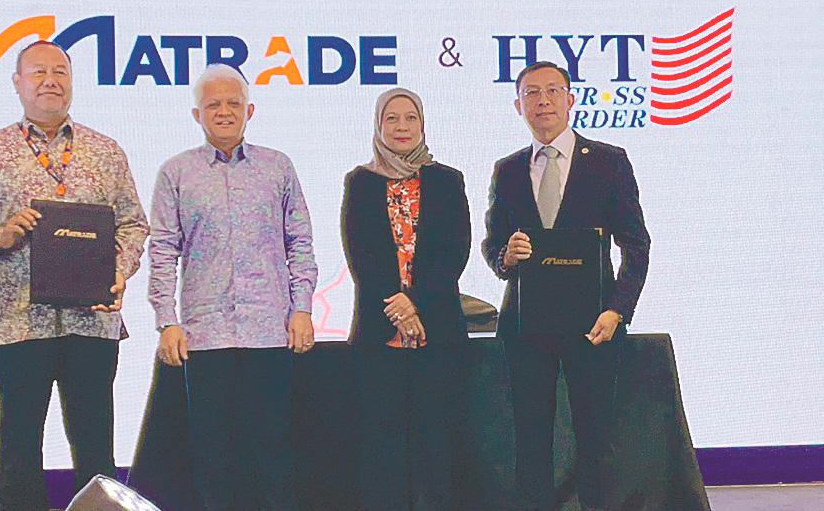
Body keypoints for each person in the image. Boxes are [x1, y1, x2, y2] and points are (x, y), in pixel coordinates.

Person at [0, 40, 149, 511]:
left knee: (95, 447)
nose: (50, 80)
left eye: (60, 71)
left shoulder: (106, 151)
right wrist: (0, 236)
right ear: (17, 83)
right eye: (38, 72)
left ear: (71, 82)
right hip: (19, 324)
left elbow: (134, 223)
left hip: (92, 321)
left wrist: (118, 269)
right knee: (19, 446)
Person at [147, 64, 318, 511]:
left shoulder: (277, 167)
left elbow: (300, 242)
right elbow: (163, 250)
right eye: (213, 105)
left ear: (250, 110)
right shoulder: (176, 173)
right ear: (196, 115)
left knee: (274, 453)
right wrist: (167, 321)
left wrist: (302, 309)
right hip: (205, 338)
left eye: (233, 103)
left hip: (269, 332)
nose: (224, 112)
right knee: (212, 458)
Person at [482, 61, 650, 511]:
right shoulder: (508, 169)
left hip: (595, 324)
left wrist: (618, 309)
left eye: (553, 91)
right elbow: (493, 244)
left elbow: (636, 245)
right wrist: (504, 256)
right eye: (532, 93)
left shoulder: (610, 162)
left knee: (596, 441)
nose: (543, 101)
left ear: (571, 100)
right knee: (531, 442)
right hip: (526, 325)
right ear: (518, 105)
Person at [342, 87, 471, 510]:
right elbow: (360, 254)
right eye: (391, 119)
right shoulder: (360, 181)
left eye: (410, 118)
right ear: (379, 126)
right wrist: (397, 308)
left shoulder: (447, 181)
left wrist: (414, 302)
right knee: (383, 445)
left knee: (438, 443)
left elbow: (455, 252)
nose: (401, 127)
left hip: (439, 331)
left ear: (422, 124)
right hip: (380, 333)